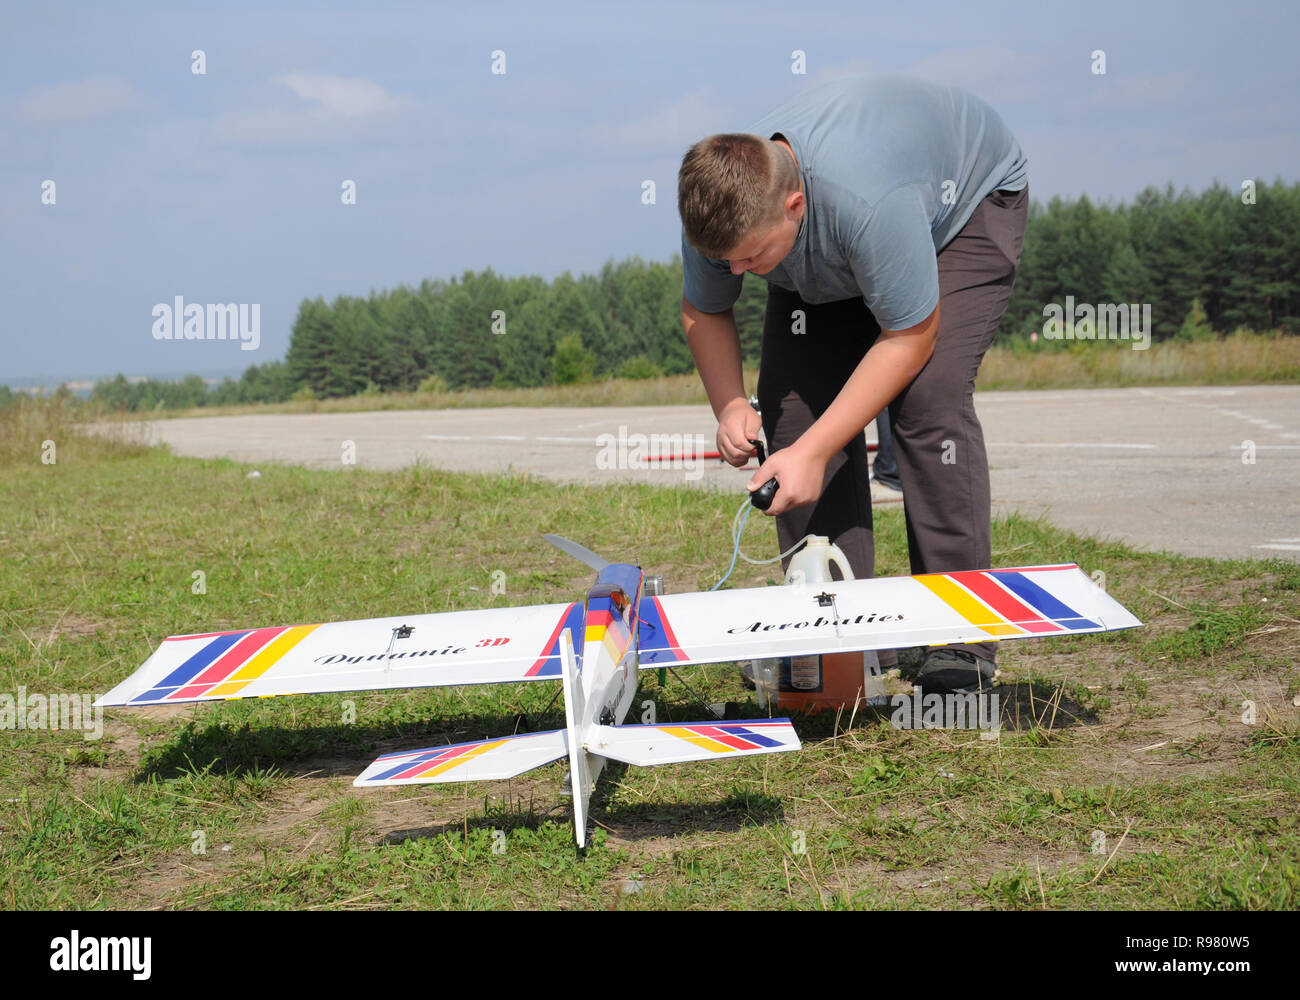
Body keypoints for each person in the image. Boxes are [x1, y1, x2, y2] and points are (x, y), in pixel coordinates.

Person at [677, 74, 1028, 694]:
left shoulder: (868, 202)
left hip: (964, 207)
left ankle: (961, 637)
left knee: (928, 402)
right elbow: (705, 308)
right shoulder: (723, 207)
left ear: (793, 207)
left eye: (750, 260)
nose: (735, 273)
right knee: (793, 419)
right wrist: (731, 402)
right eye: (724, 260)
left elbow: (910, 337)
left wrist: (814, 454)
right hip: (837, 235)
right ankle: (840, 632)